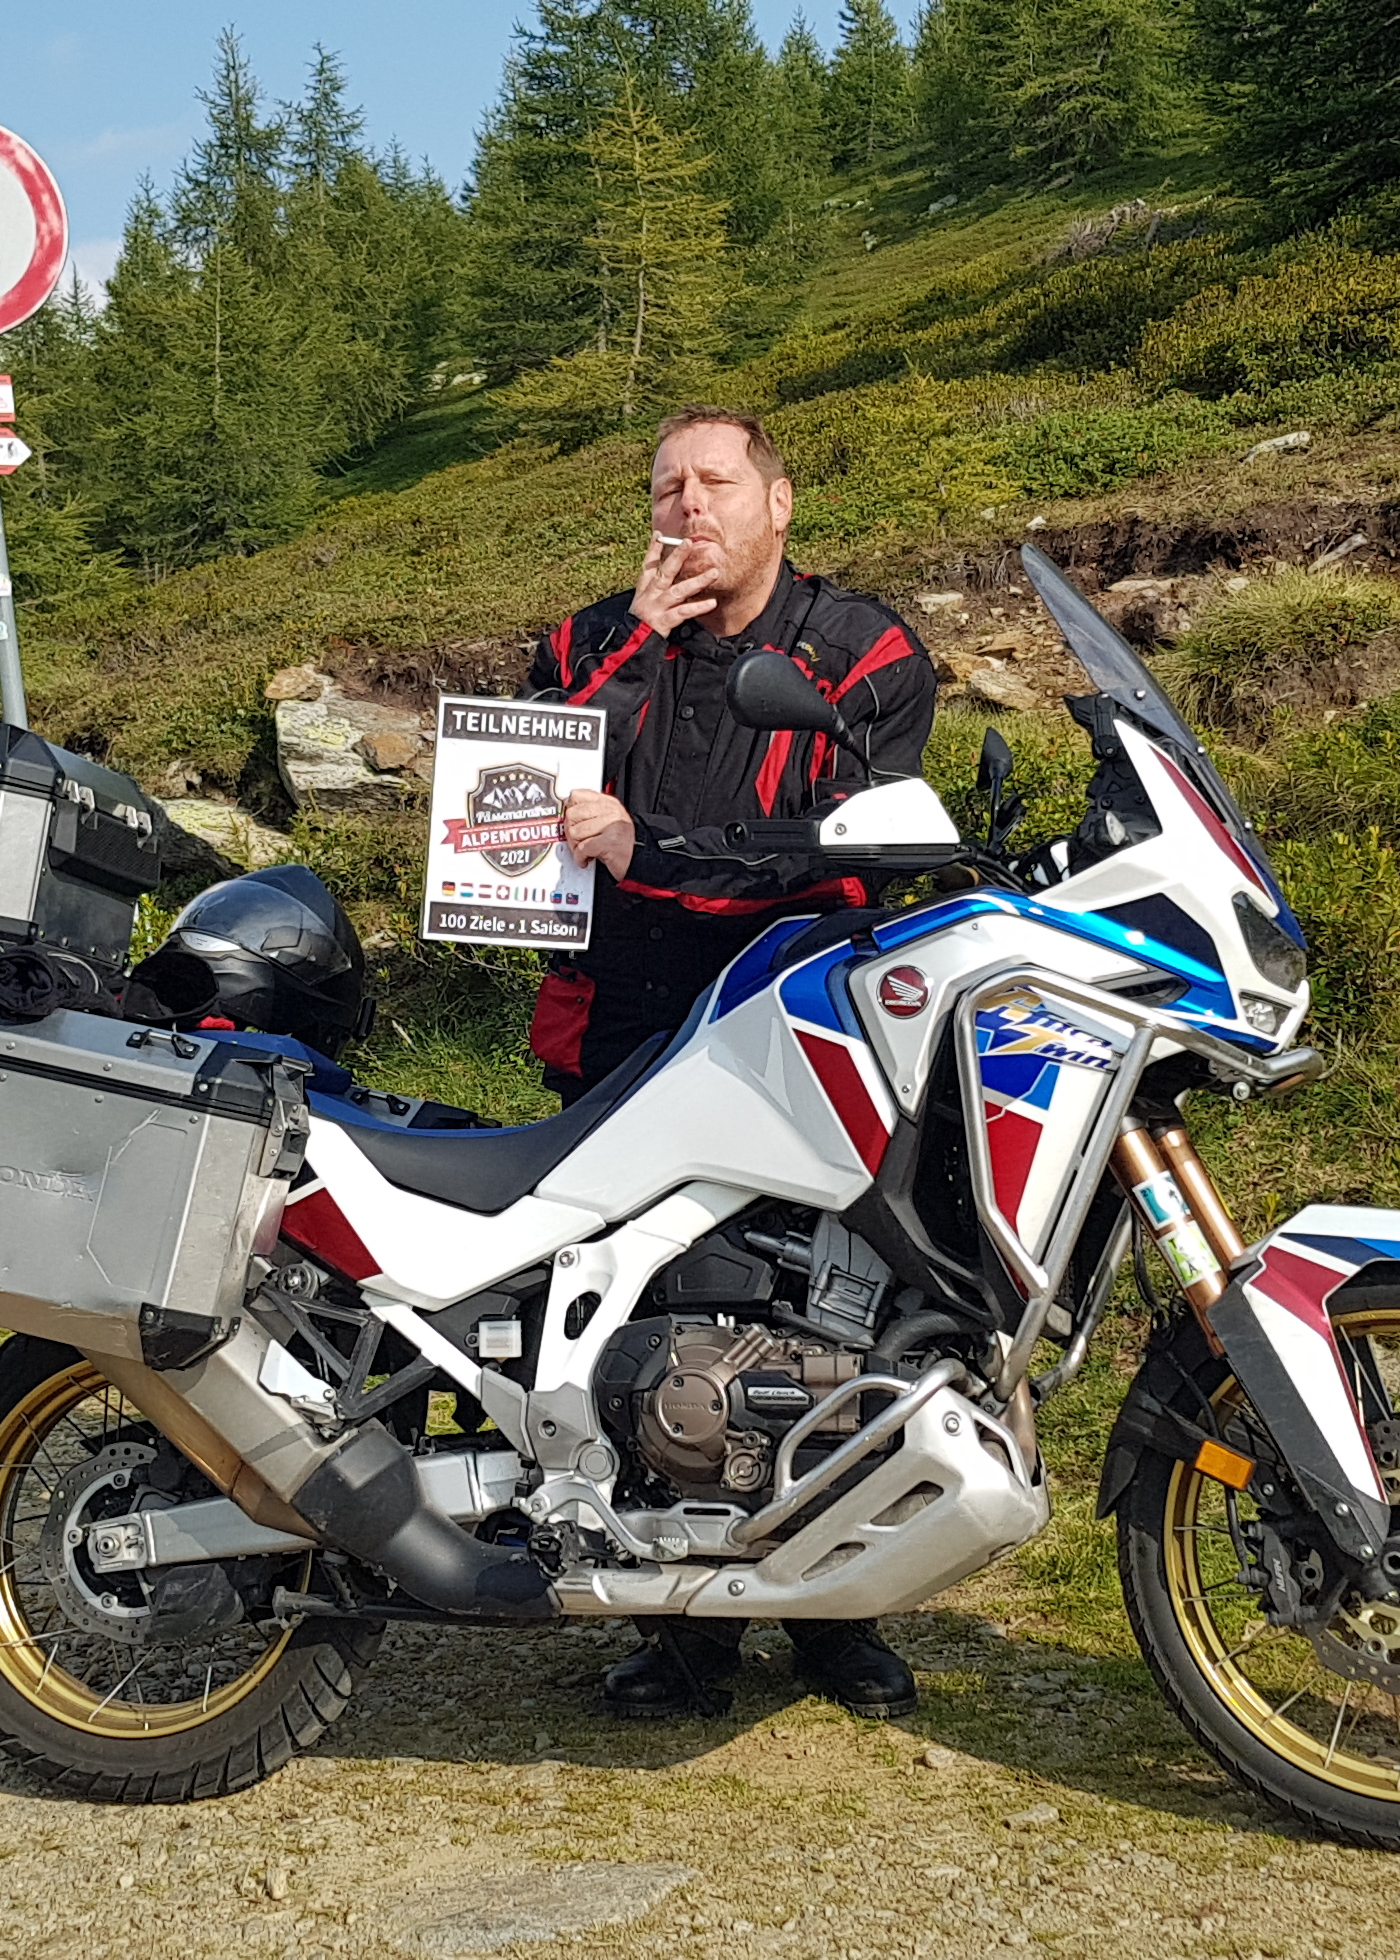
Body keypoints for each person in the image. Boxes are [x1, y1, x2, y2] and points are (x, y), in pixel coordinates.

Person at [522, 405, 939, 1722]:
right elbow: (515, 789)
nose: (687, 505)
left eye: (714, 481)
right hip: (623, 1014)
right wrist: (636, 649)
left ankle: (837, 1611)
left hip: (802, 1018)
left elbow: (850, 856)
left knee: (832, 1306)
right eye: (666, 486)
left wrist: (656, 858)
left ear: (779, 502)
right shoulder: (587, 640)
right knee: (633, 1302)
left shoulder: (865, 651)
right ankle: (677, 1623)